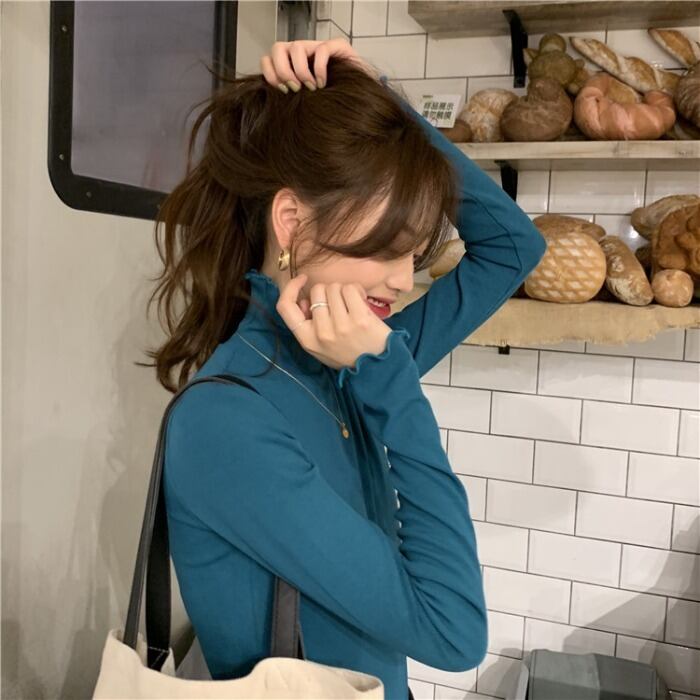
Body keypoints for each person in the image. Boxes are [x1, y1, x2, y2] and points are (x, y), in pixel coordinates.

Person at [142, 39, 547, 700]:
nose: (403, 280)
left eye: (414, 255)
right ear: (292, 221)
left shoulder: (347, 362)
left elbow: (512, 246)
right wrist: (392, 383)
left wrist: (377, 97)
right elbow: (453, 633)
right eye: (386, 248)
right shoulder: (229, 419)